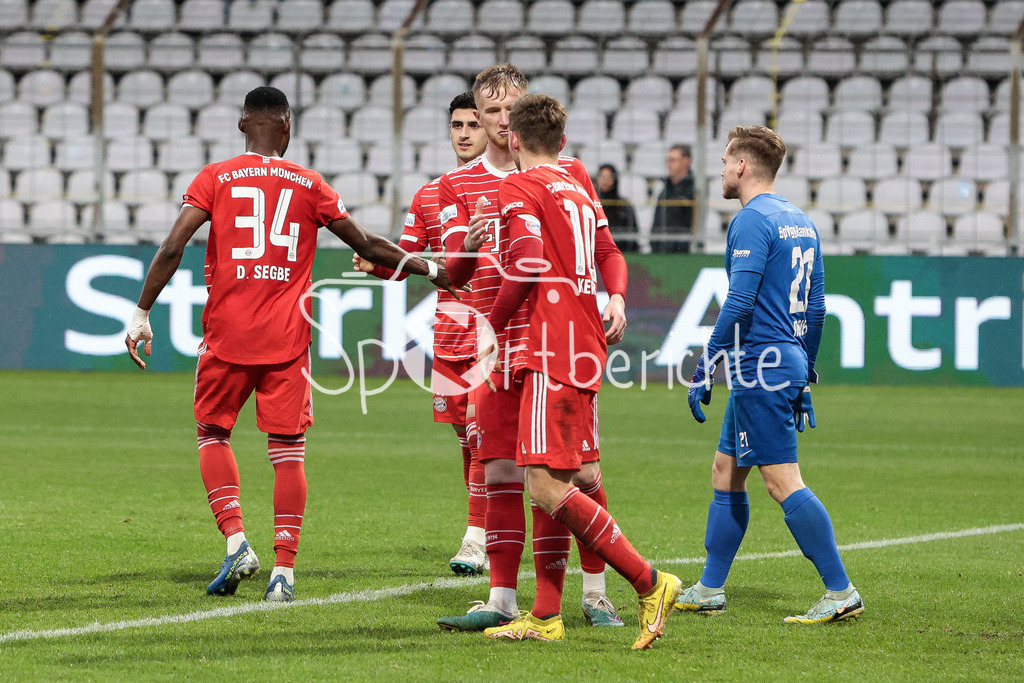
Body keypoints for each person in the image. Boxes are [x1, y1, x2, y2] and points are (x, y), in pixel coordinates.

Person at [124, 86, 458, 603]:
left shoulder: (214, 177)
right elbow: (368, 244)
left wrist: (142, 312)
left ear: (242, 125)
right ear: (287, 127)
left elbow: (172, 246)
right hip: (287, 341)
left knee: (213, 433)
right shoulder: (310, 184)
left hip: (226, 336)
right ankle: (284, 572)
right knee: (288, 453)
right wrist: (434, 270)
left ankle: (236, 541)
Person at [477, 93, 682, 648]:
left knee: (542, 485)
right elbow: (609, 252)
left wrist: (491, 325)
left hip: (548, 347)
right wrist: (615, 297)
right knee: (575, 478)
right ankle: (547, 614)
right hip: (585, 342)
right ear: (562, 142)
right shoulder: (576, 182)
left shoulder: (519, 186)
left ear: (513, 139)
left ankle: (649, 582)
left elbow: (526, 262)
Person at [435, 64, 629, 632]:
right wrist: (467, 250)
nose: (501, 120)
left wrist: (617, 296)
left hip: (554, 344)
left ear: (524, 114)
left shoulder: (569, 172)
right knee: (499, 470)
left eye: (509, 109)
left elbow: (606, 249)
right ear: (476, 114)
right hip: (496, 351)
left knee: (578, 474)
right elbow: (453, 275)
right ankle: (501, 600)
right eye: (490, 110)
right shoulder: (456, 186)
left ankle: (594, 592)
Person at [678, 125, 863, 623]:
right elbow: (817, 309)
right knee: (725, 471)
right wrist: (805, 373)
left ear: (742, 166)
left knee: (782, 482)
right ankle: (710, 588)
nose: (721, 170)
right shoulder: (801, 221)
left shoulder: (751, 221)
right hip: (783, 361)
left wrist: (706, 364)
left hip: (761, 364)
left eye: (725, 161)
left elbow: (739, 302)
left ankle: (841, 590)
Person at [352, 92, 489, 575]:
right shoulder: (432, 194)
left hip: (496, 331)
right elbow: (408, 257)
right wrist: (377, 264)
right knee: (465, 438)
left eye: (474, 123)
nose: (465, 133)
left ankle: (475, 537)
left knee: (481, 433)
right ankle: (487, 525)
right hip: (450, 333)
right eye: (458, 125)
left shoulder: (509, 187)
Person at [651, 144, 694, 254]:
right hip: (662, 252)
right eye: (667, 161)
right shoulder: (664, 191)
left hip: (685, 254)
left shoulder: (695, 191)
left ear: (686, 161)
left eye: (673, 160)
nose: (668, 165)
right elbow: (656, 225)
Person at [596, 164, 639, 252]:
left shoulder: (624, 205)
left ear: (614, 179)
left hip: (621, 251)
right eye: (602, 176)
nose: (605, 181)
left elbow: (633, 232)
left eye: (608, 177)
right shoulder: (592, 203)